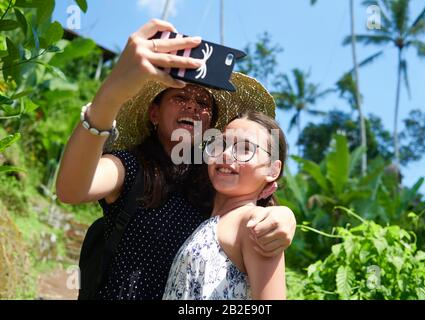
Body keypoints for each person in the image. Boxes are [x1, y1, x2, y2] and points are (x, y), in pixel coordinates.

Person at [56, 19, 296, 300]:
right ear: (154, 113)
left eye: (203, 103)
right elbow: (71, 189)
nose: (192, 105)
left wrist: (283, 216)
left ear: (211, 126)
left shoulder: (216, 182)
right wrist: (110, 96)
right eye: (180, 97)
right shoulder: (132, 168)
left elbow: (251, 208)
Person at [163, 111, 288, 300]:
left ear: (272, 169)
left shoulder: (254, 225)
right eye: (220, 144)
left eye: (245, 148)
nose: (226, 154)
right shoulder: (208, 221)